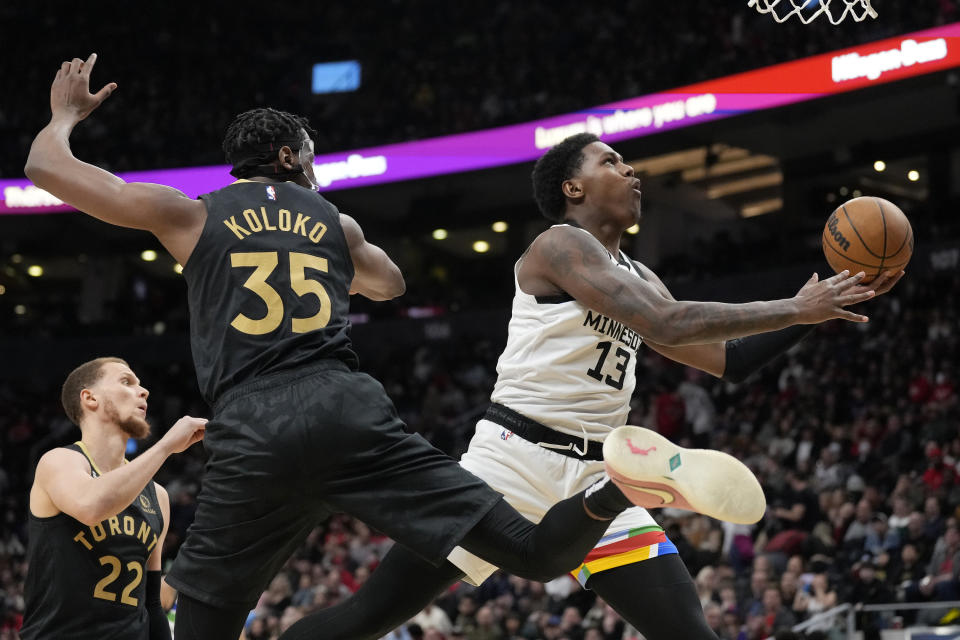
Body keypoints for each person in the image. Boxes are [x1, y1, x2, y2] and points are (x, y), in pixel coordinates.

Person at [25, 54, 766, 640]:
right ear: (289, 156)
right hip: (351, 410)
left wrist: (63, 116)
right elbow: (389, 284)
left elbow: (47, 171)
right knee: (538, 557)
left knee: (209, 621)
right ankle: (616, 486)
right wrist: (320, 249)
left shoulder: (187, 212)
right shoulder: (335, 222)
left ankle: (617, 485)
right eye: (310, 156)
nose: (315, 167)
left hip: (253, 424)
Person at [280, 132, 903, 640]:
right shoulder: (558, 246)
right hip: (509, 466)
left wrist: (815, 314)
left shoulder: (637, 273)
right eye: (613, 161)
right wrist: (793, 308)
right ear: (572, 187)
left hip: (600, 477)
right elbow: (663, 322)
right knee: (368, 618)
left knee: (692, 633)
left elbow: (725, 360)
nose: (632, 172)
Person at [19, 357, 206, 639]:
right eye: (126, 382)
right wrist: (166, 446)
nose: (143, 391)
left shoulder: (158, 496)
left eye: (141, 385)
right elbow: (91, 506)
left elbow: (152, 603)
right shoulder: (59, 462)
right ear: (90, 398)